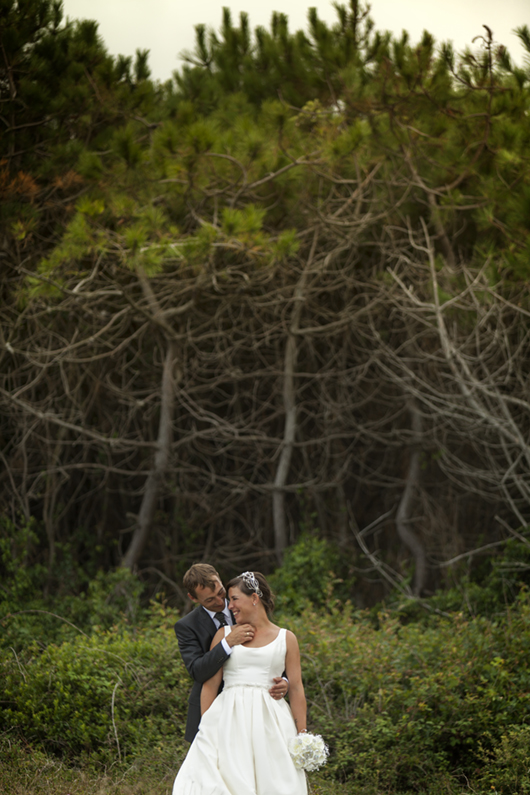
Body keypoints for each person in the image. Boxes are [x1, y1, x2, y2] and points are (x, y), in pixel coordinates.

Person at [172, 570, 308, 795]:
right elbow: (206, 681)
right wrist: (207, 727)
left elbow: (296, 686)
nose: (226, 603)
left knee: (275, 779)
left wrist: (303, 734)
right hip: (230, 717)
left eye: (229, 597)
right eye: (210, 599)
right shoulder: (221, 633)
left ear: (254, 598)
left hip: (270, 719)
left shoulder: (287, 637)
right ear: (194, 598)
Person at [174, 563, 288, 742]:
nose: (220, 602)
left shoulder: (246, 604)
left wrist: (285, 680)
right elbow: (197, 671)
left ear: (219, 578)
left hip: (256, 712)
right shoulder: (187, 626)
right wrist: (227, 643)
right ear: (193, 598)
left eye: (220, 593)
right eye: (210, 600)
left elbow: (272, 648)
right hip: (211, 708)